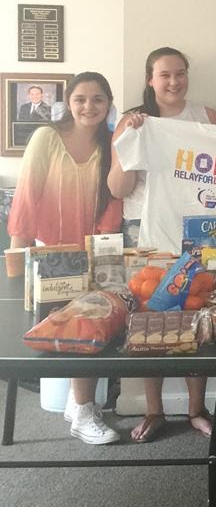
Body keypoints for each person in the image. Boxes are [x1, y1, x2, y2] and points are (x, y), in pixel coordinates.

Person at [108, 47, 216, 443]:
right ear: (150, 80)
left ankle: (196, 409)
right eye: (165, 75)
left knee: (196, 312)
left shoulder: (207, 118)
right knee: (147, 319)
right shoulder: (134, 121)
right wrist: (129, 141)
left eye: (180, 73)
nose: (174, 82)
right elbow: (117, 188)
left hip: (194, 230)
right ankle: (153, 409)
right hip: (145, 233)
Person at [8, 72, 122, 444]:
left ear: (108, 104)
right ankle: (81, 407)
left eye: (98, 99)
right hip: (49, 256)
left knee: (90, 329)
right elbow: (26, 199)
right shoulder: (46, 137)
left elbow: (114, 202)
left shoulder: (112, 144)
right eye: (80, 99)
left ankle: (83, 409)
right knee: (66, 332)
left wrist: (101, 256)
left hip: (93, 253)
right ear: (68, 103)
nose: (89, 106)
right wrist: (17, 260)